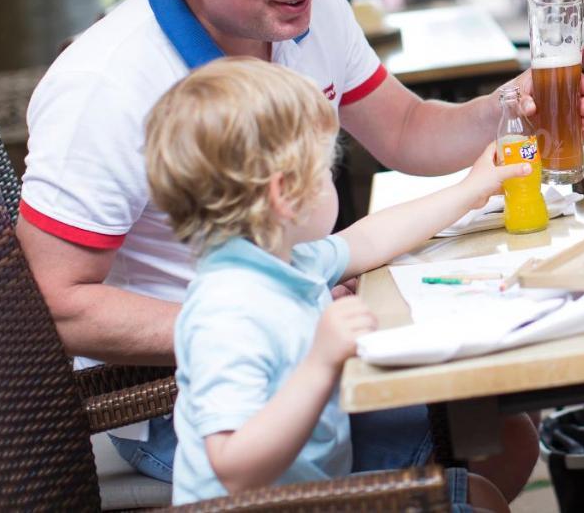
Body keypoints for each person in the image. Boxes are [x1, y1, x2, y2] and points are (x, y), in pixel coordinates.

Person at [16, 0, 569, 500]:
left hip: (301, 331)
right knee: (492, 434)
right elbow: (58, 303)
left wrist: (501, 109)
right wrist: (287, 321)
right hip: (195, 400)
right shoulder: (102, 85)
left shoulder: (304, 4)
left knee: (505, 405)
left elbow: (401, 128)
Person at [147, 58, 522, 508]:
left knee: (480, 487)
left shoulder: (285, 262)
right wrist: (321, 363)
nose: (332, 182)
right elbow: (234, 468)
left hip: (311, 489)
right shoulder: (228, 310)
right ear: (284, 195)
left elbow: (371, 236)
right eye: (324, 171)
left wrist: (472, 189)